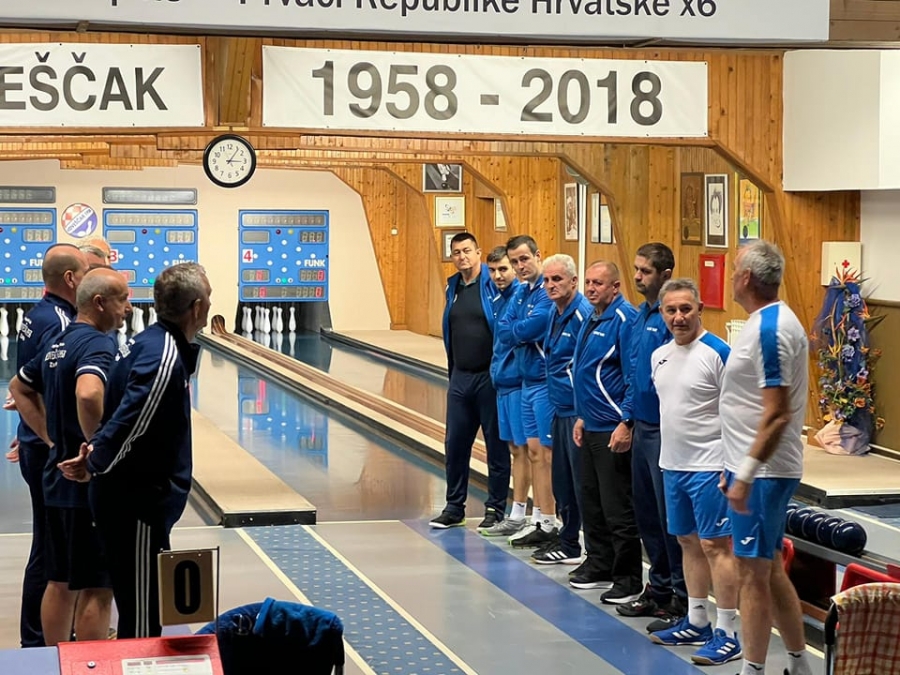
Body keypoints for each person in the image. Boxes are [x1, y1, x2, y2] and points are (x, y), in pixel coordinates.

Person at [59, 262, 212, 639]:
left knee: (139, 604)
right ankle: (138, 662)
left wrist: (94, 453)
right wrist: (95, 462)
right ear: (196, 307)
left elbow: (118, 415)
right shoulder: (163, 355)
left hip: (129, 498)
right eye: (208, 298)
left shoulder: (149, 342)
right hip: (137, 503)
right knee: (143, 615)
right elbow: (132, 420)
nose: (210, 304)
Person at [9, 267, 132, 645]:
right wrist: (97, 448)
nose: (128, 308)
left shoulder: (58, 342)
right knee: (98, 587)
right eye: (123, 300)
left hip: (55, 476)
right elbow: (88, 393)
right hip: (84, 484)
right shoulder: (98, 344)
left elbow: (18, 387)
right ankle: (91, 665)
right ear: (100, 303)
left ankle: (55, 660)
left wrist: (49, 437)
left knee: (59, 580)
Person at [721, 242, 812, 675]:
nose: (730, 276)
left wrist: (745, 473)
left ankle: (753, 669)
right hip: (754, 467)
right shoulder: (765, 322)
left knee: (752, 574)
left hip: (764, 472)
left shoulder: (770, 330)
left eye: (734, 269)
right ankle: (799, 664)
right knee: (770, 568)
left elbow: (777, 414)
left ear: (745, 279)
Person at [648, 278, 742, 666]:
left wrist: (732, 467)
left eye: (686, 309)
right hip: (673, 465)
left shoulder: (719, 353)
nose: (679, 317)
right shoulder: (659, 355)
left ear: (700, 309)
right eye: (671, 310)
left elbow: (740, 414)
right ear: (662, 313)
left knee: (716, 547)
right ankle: (697, 620)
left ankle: (729, 632)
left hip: (711, 468)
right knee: (687, 542)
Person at [10, 243, 89, 648]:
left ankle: (41, 636)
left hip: (36, 446)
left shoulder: (38, 313)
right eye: (88, 272)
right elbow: (53, 385)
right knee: (51, 554)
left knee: (49, 548)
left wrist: (29, 429)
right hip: (49, 454)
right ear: (71, 279)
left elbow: (30, 385)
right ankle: (38, 638)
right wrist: (52, 438)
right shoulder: (59, 320)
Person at [616, 243, 688, 630]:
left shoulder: (669, 320)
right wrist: (627, 419)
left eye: (645, 271)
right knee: (646, 517)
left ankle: (682, 596)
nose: (638, 276)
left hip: (665, 432)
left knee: (668, 520)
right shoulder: (640, 316)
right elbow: (634, 375)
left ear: (665, 274)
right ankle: (658, 589)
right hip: (642, 427)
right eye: (637, 269)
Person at [569, 261, 642, 602]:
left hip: (613, 428)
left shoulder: (625, 319)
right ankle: (600, 564)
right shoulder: (592, 317)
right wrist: (582, 416)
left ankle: (628, 579)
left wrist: (626, 421)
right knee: (592, 501)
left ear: (615, 287)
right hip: (591, 424)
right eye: (588, 282)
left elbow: (632, 376)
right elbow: (585, 372)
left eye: (598, 283)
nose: (590, 288)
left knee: (617, 508)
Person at [430, 234, 511, 530]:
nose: (462, 256)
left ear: (478, 252)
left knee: (496, 447)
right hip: (460, 377)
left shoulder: (493, 284)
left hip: (489, 378)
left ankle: (496, 509)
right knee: (455, 445)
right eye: (456, 252)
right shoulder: (453, 286)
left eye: (467, 251)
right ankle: (454, 507)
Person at [531, 254, 591, 565]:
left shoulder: (582, 314)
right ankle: (568, 542)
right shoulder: (555, 313)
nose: (550, 285)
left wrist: (582, 411)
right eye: (546, 280)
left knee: (581, 483)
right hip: (559, 407)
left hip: (577, 411)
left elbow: (585, 367)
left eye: (557, 279)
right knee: (563, 481)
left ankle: (585, 548)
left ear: (573, 281)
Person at [500, 235, 556, 548]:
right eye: (515, 261)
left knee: (546, 455)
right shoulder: (521, 292)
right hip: (526, 381)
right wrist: (519, 330)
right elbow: (503, 329)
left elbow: (533, 327)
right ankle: (541, 519)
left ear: (537, 255)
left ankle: (552, 520)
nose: (520, 266)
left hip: (545, 382)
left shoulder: (547, 292)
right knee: (532, 452)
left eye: (524, 259)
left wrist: (518, 330)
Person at [482, 246, 531, 538]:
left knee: (527, 450)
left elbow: (516, 334)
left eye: (504, 268)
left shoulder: (520, 296)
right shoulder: (495, 296)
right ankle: (518, 513)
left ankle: (527, 514)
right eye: (493, 270)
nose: (498, 275)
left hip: (517, 382)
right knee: (515, 449)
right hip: (502, 380)